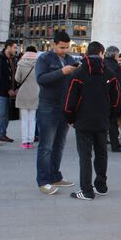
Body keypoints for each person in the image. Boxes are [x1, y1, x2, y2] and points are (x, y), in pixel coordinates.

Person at [64, 42, 120, 200]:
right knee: (101, 153)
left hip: (83, 121)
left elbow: (70, 101)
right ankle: (101, 185)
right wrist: (110, 117)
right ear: (101, 53)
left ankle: (87, 190)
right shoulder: (110, 74)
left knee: (85, 156)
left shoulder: (78, 74)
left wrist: (70, 118)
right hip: (102, 120)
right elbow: (116, 101)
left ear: (87, 53)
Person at [35, 31, 77, 195]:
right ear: (54, 44)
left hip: (64, 106)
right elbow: (41, 79)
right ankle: (43, 181)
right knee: (46, 145)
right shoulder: (44, 59)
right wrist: (62, 72)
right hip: (48, 105)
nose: (64, 50)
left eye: (67, 47)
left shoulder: (70, 59)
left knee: (59, 144)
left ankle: (55, 176)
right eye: (61, 47)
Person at [0, 39, 18, 143]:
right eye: (15, 47)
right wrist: (8, 88)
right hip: (1, 91)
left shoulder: (12, 59)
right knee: (0, 114)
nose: (16, 50)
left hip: (10, 92)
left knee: (6, 114)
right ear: (8, 47)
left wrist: (16, 88)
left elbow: (14, 75)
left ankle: (2, 134)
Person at [104, 46, 121, 153]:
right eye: (118, 54)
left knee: (103, 121)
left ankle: (103, 140)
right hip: (113, 98)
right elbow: (118, 83)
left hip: (102, 97)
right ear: (114, 54)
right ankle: (115, 145)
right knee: (113, 122)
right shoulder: (115, 66)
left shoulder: (102, 63)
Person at [15, 46, 39, 149]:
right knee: (32, 119)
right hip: (35, 93)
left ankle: (25, 142)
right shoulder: (39, 64)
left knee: (24, 119)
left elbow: (17, 79)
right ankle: (31, 140)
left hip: (23, 93)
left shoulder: (21, 63)